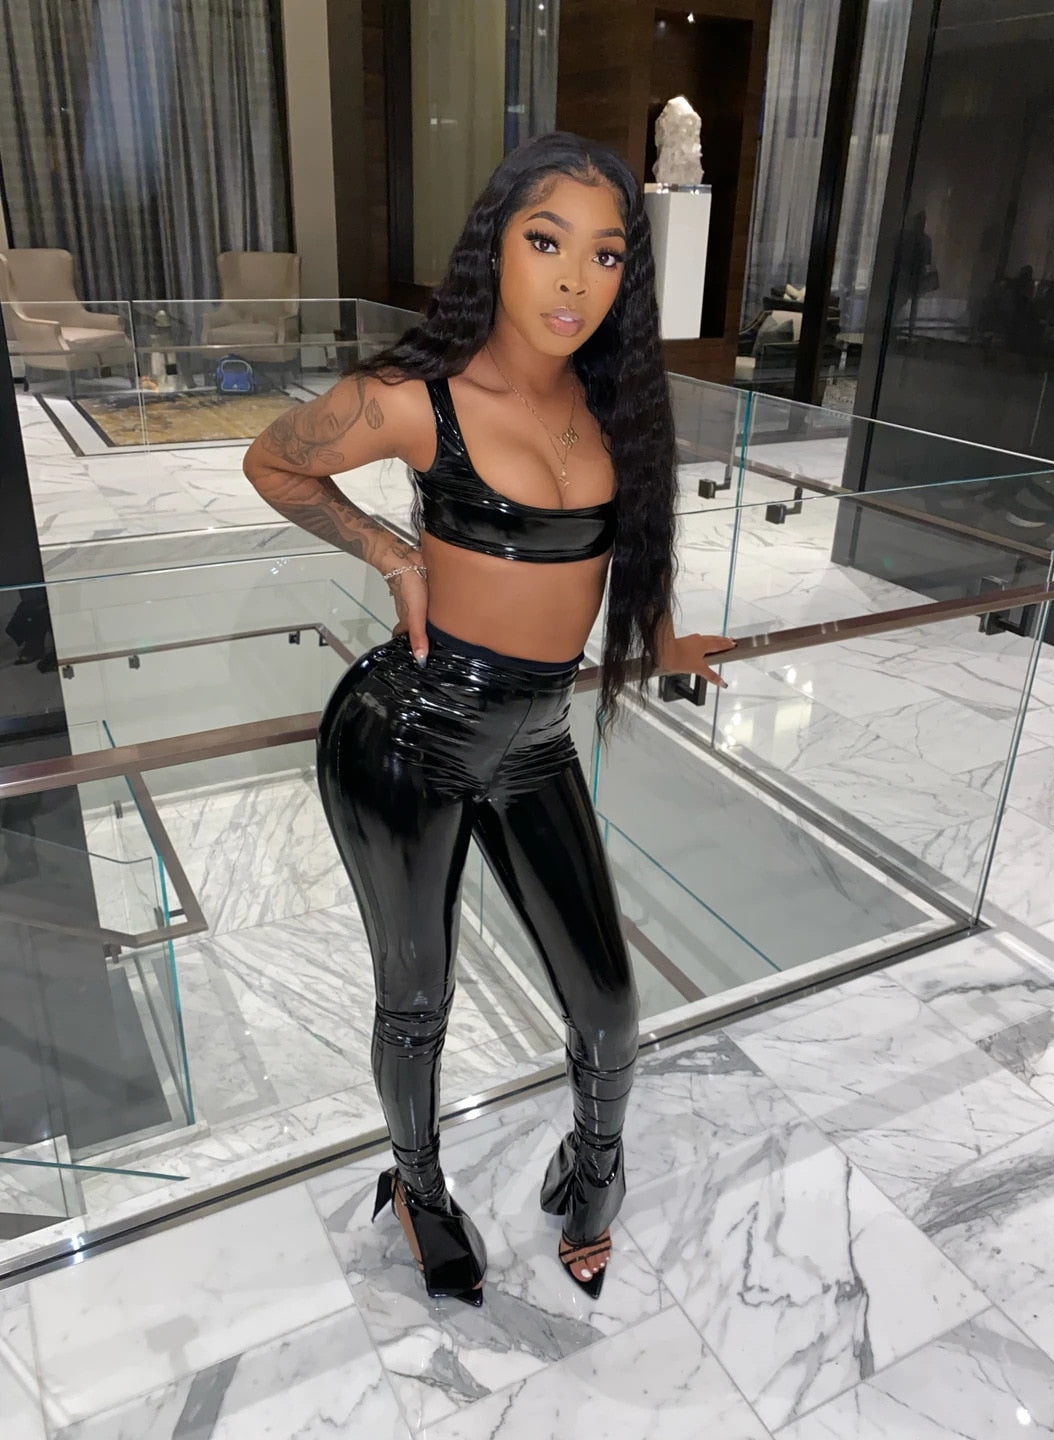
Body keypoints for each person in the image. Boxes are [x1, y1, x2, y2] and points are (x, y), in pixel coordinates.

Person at [243, 131, 732, 1306]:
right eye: (547, 241)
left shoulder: (615, 405)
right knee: (418, 999)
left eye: (606, 255)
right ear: (494, 247)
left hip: (535, 741)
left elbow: (629, 550)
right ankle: (418, 1188)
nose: (576, 280)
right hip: (406, 733)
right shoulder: (417, 398)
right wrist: (390, 550)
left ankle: (595, 1167)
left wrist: (665, 639)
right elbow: (274, 464)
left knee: (609, 1008)